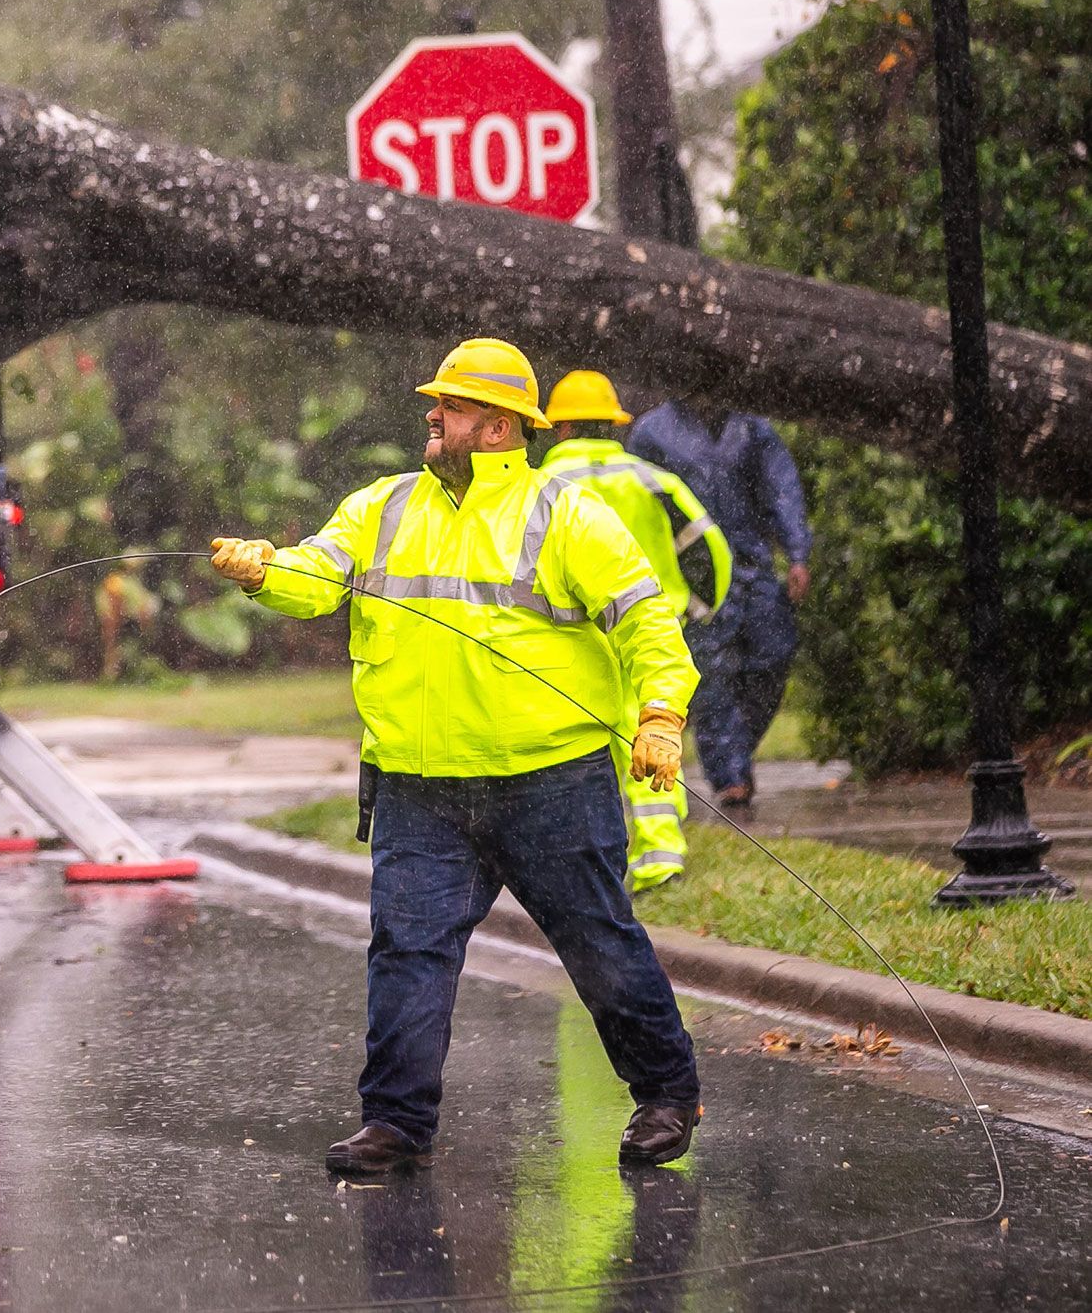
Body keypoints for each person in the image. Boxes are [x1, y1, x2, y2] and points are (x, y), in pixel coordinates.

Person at [210, 338, 701, 1177]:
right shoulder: (383, 505)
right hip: (420, 787)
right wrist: (266, 572)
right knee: (407, 948)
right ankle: (396, 1122)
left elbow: (649, 622)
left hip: (549, 783)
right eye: (436, 405)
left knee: (600, 945)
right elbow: (319, 578)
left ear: (500, 426)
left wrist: (660, 713)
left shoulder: (566, 516)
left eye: (454, 407)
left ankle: (667, 1094)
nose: (433, 417)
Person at [539, 370, 733, 890]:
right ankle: (660, 855)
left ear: (558, 429)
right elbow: (710, 548)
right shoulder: (653, 481)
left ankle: (577, 862)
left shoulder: (538, 490)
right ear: (614, 424)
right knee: (651, 733)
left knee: (571, 745)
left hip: (570, 635)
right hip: (652, 628)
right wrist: (697, 606)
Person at [626, 397, 811, 808]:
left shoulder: (752, 429)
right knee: (710, 677)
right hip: (694, 575)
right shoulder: (653, 433)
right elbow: (637, 504)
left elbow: (783, 491)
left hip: (752, 565)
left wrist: (797, 552)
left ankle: (736, 750)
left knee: (773, 656)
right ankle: (730, 775)